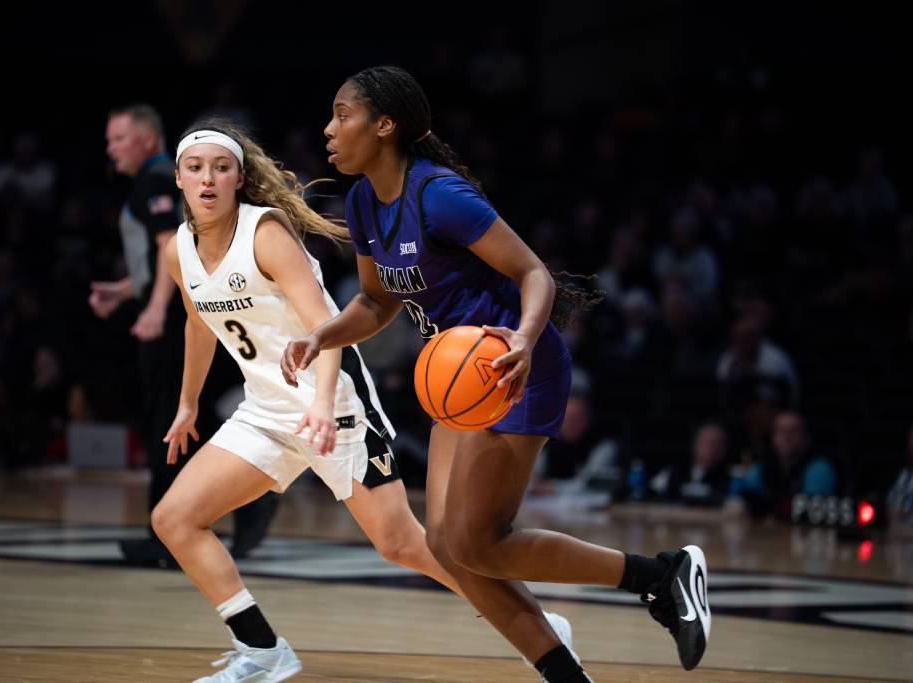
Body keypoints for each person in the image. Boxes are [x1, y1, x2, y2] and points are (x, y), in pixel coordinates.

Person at [282, 65, 712, 681]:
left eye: (341, 114)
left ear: (385, 125)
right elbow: (378, 302)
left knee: (480, 542)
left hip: (513, 368)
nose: (328, 129)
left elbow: (534, 272)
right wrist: (322, 334)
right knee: (445, 547)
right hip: (456, 379)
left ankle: (659, 575)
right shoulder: (361, 202)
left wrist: (525, 338)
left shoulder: (439, 195)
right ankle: (575, 667)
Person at [154, 118, 519, 683]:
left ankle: (536, 623)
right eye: (195, 169)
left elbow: (324, 326)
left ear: (239, 177)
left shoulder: (266, 234)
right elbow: (200, 325)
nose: (208, 180)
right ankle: (264, 652)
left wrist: (322, 405)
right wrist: (188, 405)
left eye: (221, 168)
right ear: (177, 178)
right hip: (266, 410)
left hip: (337, 403)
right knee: (175, 519)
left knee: (402, 545)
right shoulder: (179, 249)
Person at [90, 105, 276, 565]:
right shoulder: (156, 181)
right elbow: (167, 260)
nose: (110, 147)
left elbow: (167, 251)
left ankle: (169, 533)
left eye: (119, 138)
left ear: (150, 141)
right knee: (189, 423)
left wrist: (153, 310)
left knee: (168, 425)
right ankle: (245, 503)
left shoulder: (155, 179)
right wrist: (124, 290)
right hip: (187, 312)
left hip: (179, 320)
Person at [742, 411, 838, 519]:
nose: (787, 437)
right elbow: (744, 504)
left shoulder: (819, 469)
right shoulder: (760, 468)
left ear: (805, 437)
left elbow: (812, 512)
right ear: (773, 438)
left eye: (793, 431)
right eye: (781, 431)